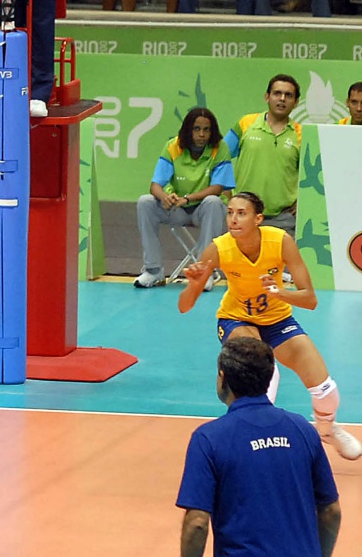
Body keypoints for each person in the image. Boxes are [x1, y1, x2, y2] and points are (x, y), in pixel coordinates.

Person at [178, 191, 361, 461]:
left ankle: (327, 430)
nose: (233, 219)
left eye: (242, 213)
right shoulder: (218, 248)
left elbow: (310, 299)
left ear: (258, 219)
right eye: (230, 213)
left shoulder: (280, 241)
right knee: (263, 368)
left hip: (278, 319)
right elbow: (184, 306)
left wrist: (279, 293)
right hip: (236, 318)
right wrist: (194, 284)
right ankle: (250, 440)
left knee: (326, 390)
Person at [176, 337, 342, 557]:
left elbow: (197, 522)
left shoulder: (208, 438)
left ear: (223, 378)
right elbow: (331, 511)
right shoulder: (303, 430)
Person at [133, 107, 232, 289]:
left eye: (206, 130)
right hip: (177, 209)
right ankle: (153, 271)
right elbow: (155, 185)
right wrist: (164, 197)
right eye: (197, 129)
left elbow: (218, 188)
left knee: (214, 202)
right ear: (188, 129)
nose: (202, 134)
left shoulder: (220, 148)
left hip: (204, 210)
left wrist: (188, 198)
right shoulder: (173, 146)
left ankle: (204, 271)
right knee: (145, 202)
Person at [222, 75, 301, 237]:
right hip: (244, 215)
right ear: (267, 97)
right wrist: (224, 189)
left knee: (283, 263)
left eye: (288, 95)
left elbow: (311, 177)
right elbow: (220, 157)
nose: (282, 99)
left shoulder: (301, 134)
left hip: (283, 219)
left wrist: (302, 201)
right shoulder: (246, 123)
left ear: (296, 102)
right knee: (239, 263)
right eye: (277, 93)